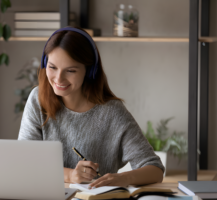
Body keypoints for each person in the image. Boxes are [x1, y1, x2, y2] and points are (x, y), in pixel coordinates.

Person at [18, 27, 164, 188]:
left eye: (71, 70)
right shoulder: (38, 99)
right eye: (52, 67)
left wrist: (123, 179)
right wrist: (71, 175)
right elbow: (25, 163)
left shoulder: (112, 112)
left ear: (90, 71)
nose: (58, 78)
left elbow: (155, 169)